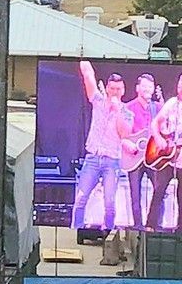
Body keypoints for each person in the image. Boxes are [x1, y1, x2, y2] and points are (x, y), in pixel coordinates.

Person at [73, 62, 133, 230]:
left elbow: (124, 134)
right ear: (107, 88)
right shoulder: (98, 101)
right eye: (112, 88)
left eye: (118, 89)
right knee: (80, 198)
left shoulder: (127, 113)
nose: (115, 92)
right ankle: (76, 229)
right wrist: (83, 60)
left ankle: (108, 232)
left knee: (110, 202)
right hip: (92, 158)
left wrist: (117, 110)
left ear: (123, 91)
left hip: (112, 161)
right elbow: (88, 76)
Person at [123, 73, 163, 229]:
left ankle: (154, 225)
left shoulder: (158, 108)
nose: (147, 89)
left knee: (160, 189)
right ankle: (138, 226)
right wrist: (128, 143)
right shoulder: (128, 108)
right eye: (144, 86)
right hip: (134, 156)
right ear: (138, 88)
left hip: (153, 157)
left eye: (150, 87)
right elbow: (123, 133)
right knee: (135, 194)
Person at [147, 73, 182, 230]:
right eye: (180, 84)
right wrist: (159, 138)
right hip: (167, 155)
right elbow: (155, 123)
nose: (180, 88)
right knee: (159, 190)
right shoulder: (172, 103)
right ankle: (150, 226)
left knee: (180, 196)